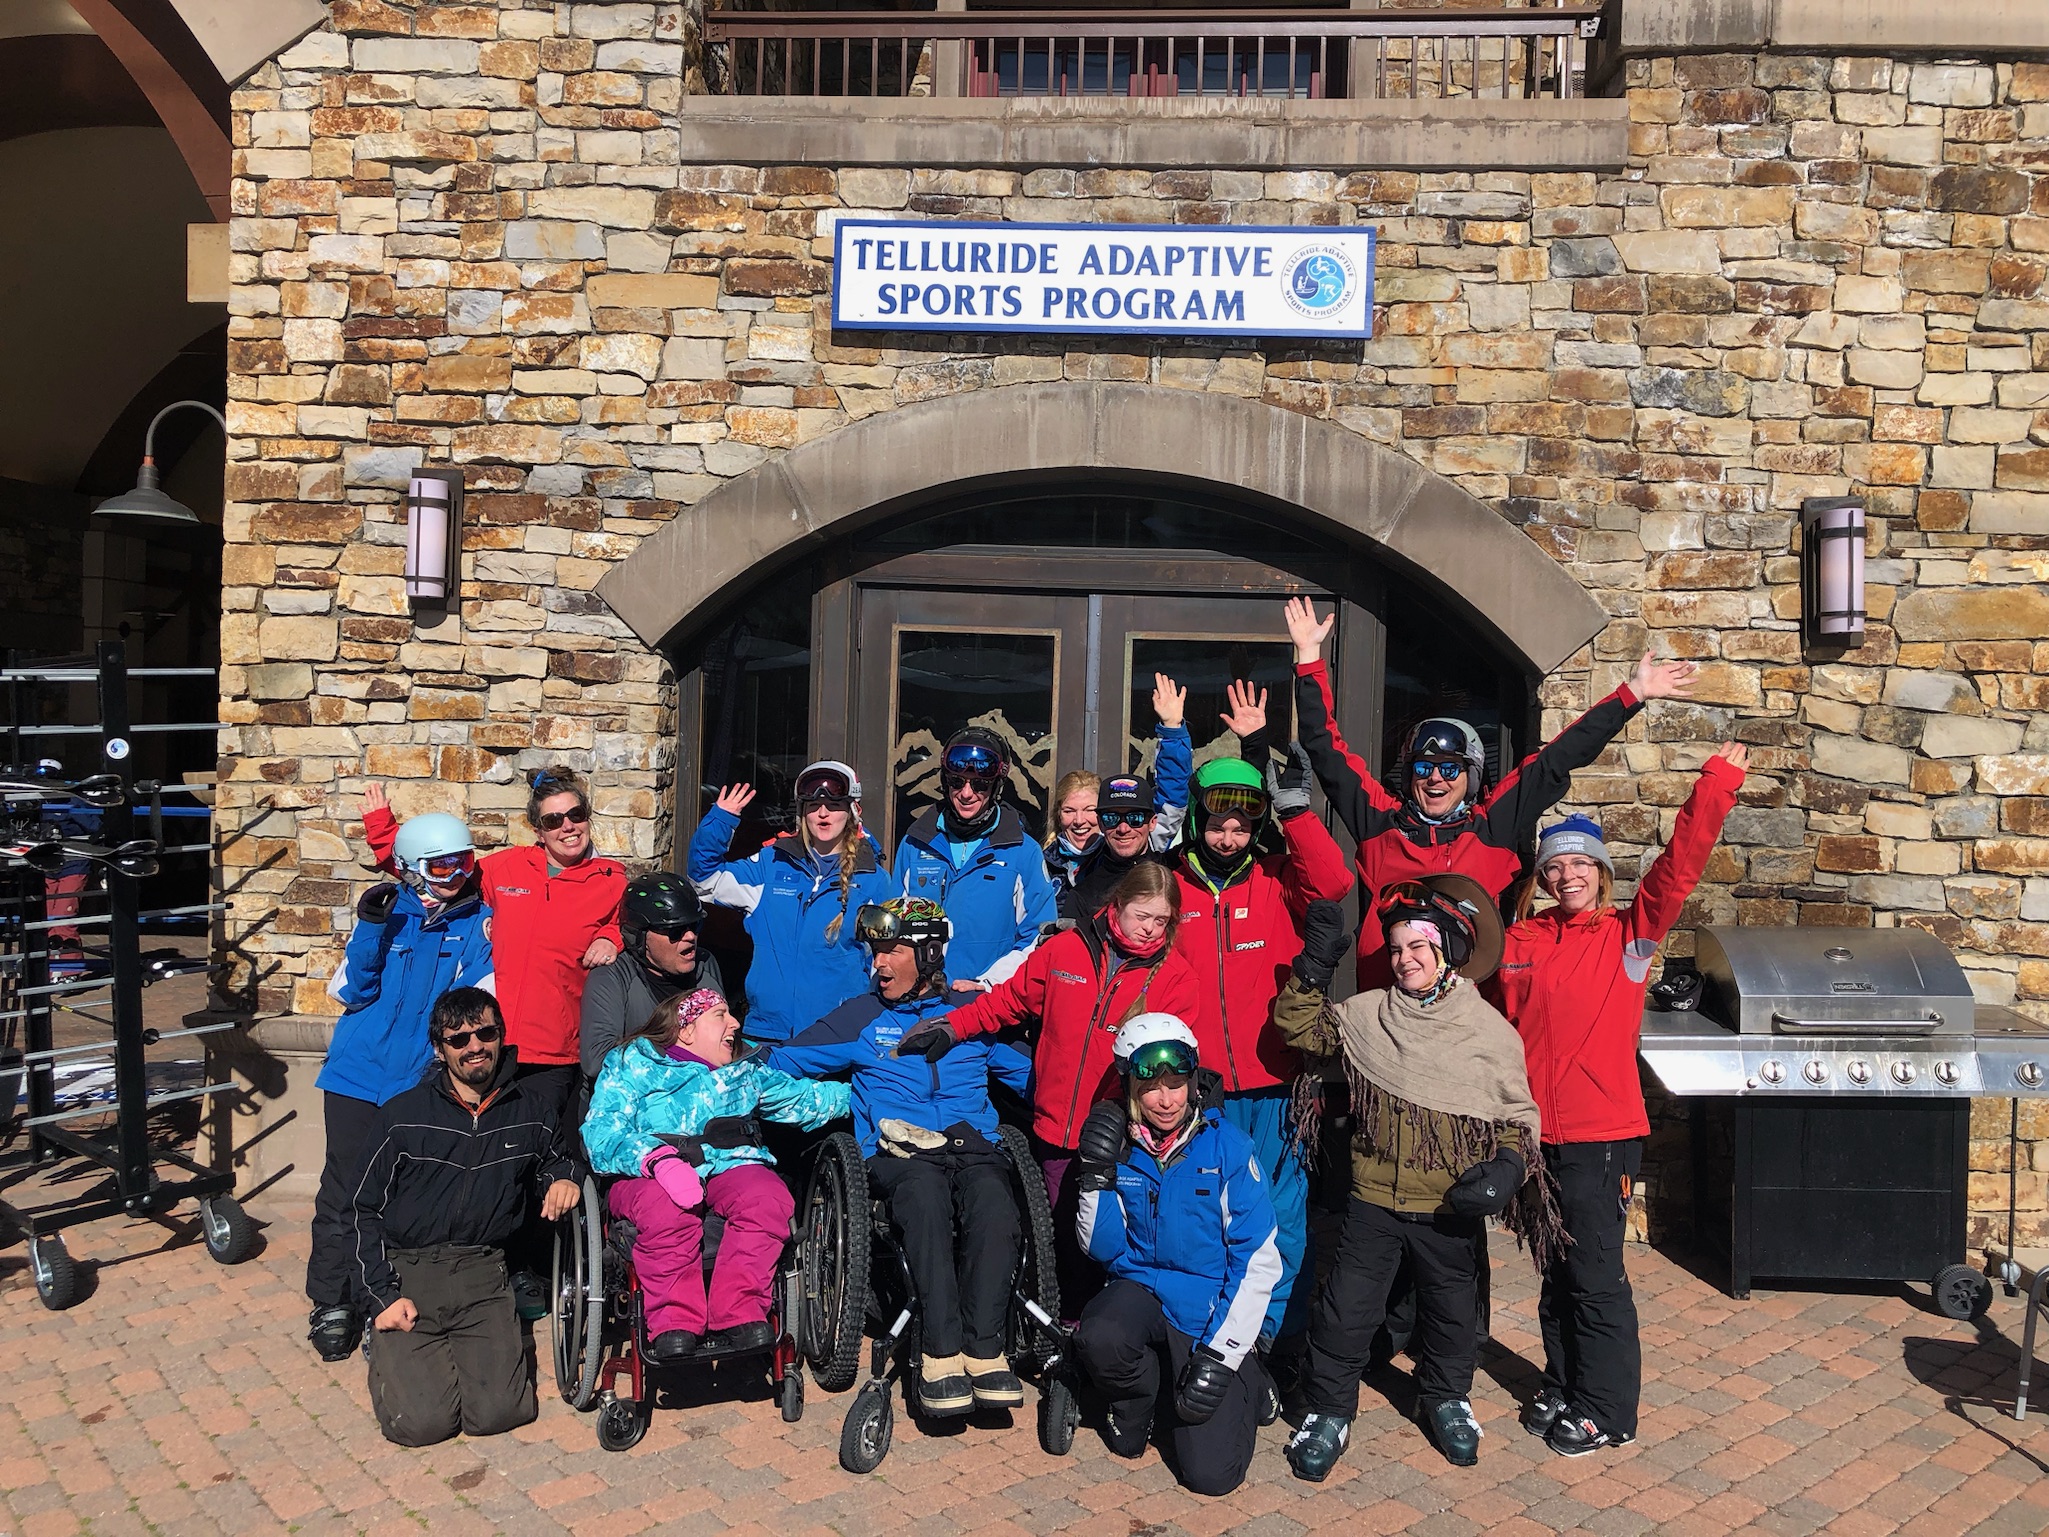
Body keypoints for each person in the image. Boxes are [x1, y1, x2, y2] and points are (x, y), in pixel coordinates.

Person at [1488, 743, 1747, 1457]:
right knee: (1553, 1265)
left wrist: (1714, 785)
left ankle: (1607, 1407)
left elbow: (1679, 866)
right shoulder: (1520, 938)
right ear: (1540, 876)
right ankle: (1564, 1378)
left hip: (1600, 1133)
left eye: (1579, 863)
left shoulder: (1629, 936)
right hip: (1534, 1133)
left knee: (1595, 1271)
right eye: (1554, 865)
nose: (1566, 874)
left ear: (1599, 872)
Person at [1274, 881, 1559, 1478]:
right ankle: (1328, 1410)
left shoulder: (1486, 1031)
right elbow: (1299, 1028)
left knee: (1452, 1312)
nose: (1405, 959)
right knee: (1344, 1310)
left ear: (1448, 949)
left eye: (1418, 947)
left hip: (1448, 1205)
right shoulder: (1367, 1015)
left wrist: (1508, 1165)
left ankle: (1446, 1398)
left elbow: (1511, 1111)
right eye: (1397, 948)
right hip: (1372, 1198)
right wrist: (1314, 966)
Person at [1283, 596, 1700, 991]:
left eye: (1450, 769)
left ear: (1471, 776)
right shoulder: (1380, 824)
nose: (1435, 780)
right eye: (1424, 768)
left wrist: (1631, 695)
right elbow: (1325, 750)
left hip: (1473, 1012)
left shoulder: (1489, 824)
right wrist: (1309, 657)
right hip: (1386, 1008)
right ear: (1409, 775)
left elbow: (1555, 760)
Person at [896, 861, 1203, 1313]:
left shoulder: (1177, 978)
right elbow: (1010, 1000)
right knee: (1059, 1239)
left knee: (1113, 1245)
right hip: (1056, 1129)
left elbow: (1178, 1067)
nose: (1149, 930)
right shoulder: (1066, 950)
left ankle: (1107, 1338)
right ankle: (1061, 1332)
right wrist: (952, 1026)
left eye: (1161, 921)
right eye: (1142, 916)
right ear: (1117, 906)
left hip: (1123, 1140)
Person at [769, 897, 1031, 1415]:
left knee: (998, 1207)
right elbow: (784, 1059)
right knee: (925, 1201)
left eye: (891, 951)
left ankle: (985, 1351)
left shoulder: (969, 1015)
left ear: (930, 954)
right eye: (875, 952)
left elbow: (1036, 1080)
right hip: (897, 1153)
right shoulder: (862, 1016)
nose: (877, 964)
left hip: (970, 1146)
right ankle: (939, 1353)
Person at [1169, 719, 1351, 1349]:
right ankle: (1214, 1336)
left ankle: (1273, 1341)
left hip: (1275, 1085)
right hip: (1199, 1089)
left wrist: (1298, 811)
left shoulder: (1276, 877)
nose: (1228, 837)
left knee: (1280, 1220)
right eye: (1218, 823)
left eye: (1242, 826)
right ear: (1198, 819)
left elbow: (1334, 883)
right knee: (1205, 1218)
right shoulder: (1171, 886)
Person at [348, 989, 583, 1446]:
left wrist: (564, 1177)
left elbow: (559, 1158)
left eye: (486, 1033)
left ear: (500, 1036)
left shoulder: (531, 1111)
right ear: (440, 1049)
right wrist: (381, 1297)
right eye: (459, 1040)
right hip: (409, 1272)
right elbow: (358, 1208)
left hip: (483, 1269)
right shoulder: (403, 1116)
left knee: (501, 1412)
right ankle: (385, 1345)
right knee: (423, 1425)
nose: (474, 1046)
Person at [307, 811, 494, 1363]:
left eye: (464, 861)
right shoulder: (390, 915)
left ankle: (383, 1301)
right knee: (343, 1192)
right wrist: (368, 928)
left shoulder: (477, 924)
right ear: (413, 868)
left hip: (417, 1081)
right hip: (357, 1075)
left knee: (400, 1197)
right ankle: (333, 1300)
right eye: (441, 864)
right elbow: (351, 990)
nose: (456, 873)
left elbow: (472, 1000)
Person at [1070, 1014, 1281, 1497]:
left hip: (1209, 1308)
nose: (1166, 1100)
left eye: (1176, 1084)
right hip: (1141, 1287)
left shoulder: (1226, 1146)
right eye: (1151, 1087)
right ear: (1130, 1087)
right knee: (1100, 1335)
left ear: (1192, 1082)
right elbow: (1101, 1248)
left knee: (1211, 1477)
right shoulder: (1122, 1146)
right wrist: (1094, 1176)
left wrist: (1221, 1356)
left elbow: (1259, 1260)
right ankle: (1140, 1401)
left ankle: (1250, 1374)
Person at [582, 988, 849, 1361]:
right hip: (648, 1176)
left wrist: (876, 1093)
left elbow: (804, 1099)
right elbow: (601, 1133)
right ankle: (674, 1321)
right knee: (668, 1209)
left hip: (730, 1164)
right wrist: (657, 1159)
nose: (735, 1023)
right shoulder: (633, 1063)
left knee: (768, 1199)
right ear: (686, 1029)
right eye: (721, 1015)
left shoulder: (745, 1069)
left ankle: (738, 1312)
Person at [362, 767, 626, 1119]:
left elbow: (638, 929)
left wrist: (613, 936)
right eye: (553, 820)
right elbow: (437, 875)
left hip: (553, 1050)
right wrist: (383, 832)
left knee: (538, 1149)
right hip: (487, 1042)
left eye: (576, 815)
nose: (568, 827)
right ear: (539, 832)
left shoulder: (610, 880)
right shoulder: (508, 867)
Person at [688, 759, 894, 1043]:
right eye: (813, 806)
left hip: (838, 1035)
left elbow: (889, 960)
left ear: (851, 812)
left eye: (834, 806)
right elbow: (704, 880)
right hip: (768, 1033)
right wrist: (721, 820)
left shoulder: (874, 880)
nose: (823, 814)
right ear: (802, 813)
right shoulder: (771, 865)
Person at [895, 725, 1060, 989]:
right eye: (956, 781)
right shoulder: (916, 844)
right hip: (919, 1000)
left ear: (996, 786)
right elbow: (892, 930)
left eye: (980, 784)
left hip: (986, 1004)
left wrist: (988, 983)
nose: (966, 793)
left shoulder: (1022, 851)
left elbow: (1038, 936)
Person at [1057, 674, 1195, 918]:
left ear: (1152, 822)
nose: (1123, 828)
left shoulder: (1169, 867)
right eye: (1111, 818)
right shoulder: (1084, 886)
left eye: (1134, 818)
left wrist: (1172, 729)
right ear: (1101, 823)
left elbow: (1173, 791)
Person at [579, 870, 725, 1079]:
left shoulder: (705, 964)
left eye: (695, 925)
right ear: (640, 936)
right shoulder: (611, 976)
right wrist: (686, 1055)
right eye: (675, 930)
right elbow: (597, 1060)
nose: (690, 936)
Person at [1043, 769, 1103, 888]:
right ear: (1059, 816)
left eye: (1090, 810)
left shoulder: (1118, 862)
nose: (1079, 821)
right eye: (1069, 811)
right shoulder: (1041, 865)